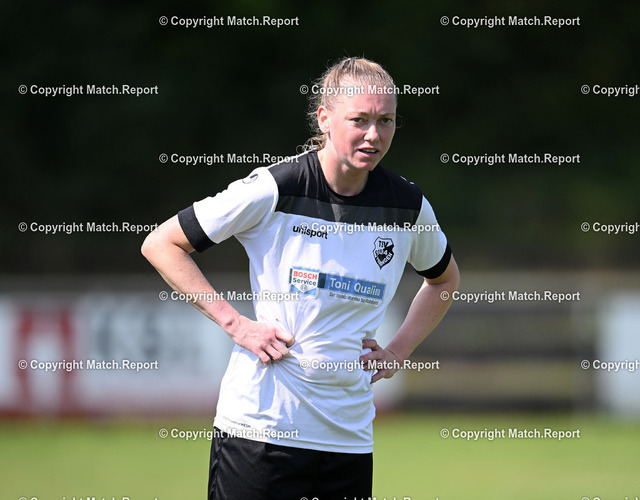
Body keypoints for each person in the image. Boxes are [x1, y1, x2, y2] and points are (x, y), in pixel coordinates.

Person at [141, 56, 459, 500]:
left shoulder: (407, 205)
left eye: (385, 120)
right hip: (261, 431)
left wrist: (398, 351)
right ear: (325, 118)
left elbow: (443, 281)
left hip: (348, 439)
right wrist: (236, 324)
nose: (374, 134)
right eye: (360, 120)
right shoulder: (276, 187)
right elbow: (162, 243)